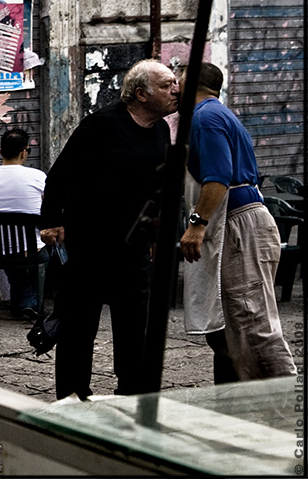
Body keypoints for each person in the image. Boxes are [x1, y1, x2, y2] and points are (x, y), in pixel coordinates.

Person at [40, 59, 179, 400]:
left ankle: (132, 394)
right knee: (78, 326)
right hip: (89, 244)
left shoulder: (162, 131)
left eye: (175, 83)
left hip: (132, 248)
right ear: (140, 94)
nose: (176, 90)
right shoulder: (101, 126)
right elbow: (61, 174)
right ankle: (72, 397)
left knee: (136, 326)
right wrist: (51, 220)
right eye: (166, 85)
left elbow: (157, 186)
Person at [179, 62, 297, 382]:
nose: (175, 88)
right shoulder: (216, 114)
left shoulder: (205, 117)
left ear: (190, 82)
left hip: (240, 225)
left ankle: (285, 403)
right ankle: (236, 404)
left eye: (178, 80)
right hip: (242, 223)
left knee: (252, 326)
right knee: (226, 329)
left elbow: (218, 177)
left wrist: (197, 223)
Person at [0, 128, 47, 320]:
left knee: (15, 253)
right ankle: (31, 303)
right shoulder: (38, 177)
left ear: (1, 152)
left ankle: (25, 302)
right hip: (31, 252)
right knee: (55, 249)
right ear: (24, 152)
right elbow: (49, 211)